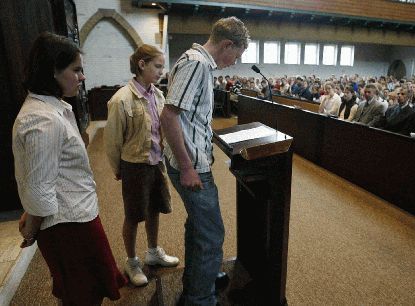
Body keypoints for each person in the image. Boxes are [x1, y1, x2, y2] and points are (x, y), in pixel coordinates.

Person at [12, 32, 126, 305]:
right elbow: (40, 188)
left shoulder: (55, 108)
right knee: (81, 294)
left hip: (77, 213)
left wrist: (30, 212)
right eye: (76, 70)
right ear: (53, 71)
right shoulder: (43, 119)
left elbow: (45, 171)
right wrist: (32, 225)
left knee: (88, 290)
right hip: (67, 224)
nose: (82, 77)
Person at [160, 16, 249, 305]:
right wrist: (187, 167)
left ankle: (197, 282)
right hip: (191, 165)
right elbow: (169, 116)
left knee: (199, 229)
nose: (235, 62)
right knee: (211, 235)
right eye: (237, 54)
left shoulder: (195, 60)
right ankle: (200, 299)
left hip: (190, 160)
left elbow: (189, 118)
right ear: (227, 44)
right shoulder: (197, 64)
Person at [104, 44, 179, 287]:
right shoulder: (121, 99)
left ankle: (153, 252)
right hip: (134, 165)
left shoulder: (157, 94)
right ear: (141, 64)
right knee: (133, 215)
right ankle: (132, 260)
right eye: (157, 66)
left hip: (156, 163)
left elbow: (161, 130)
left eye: (162, 66)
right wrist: (118, 169)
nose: (161, 71)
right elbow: (113, 141)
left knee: (155, 208)